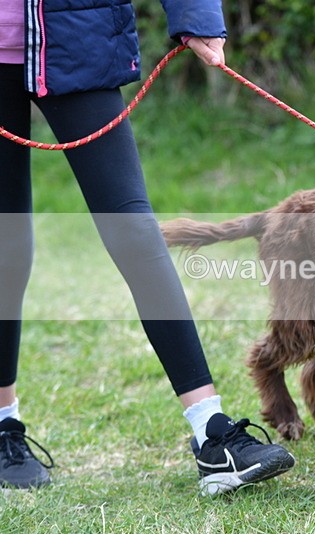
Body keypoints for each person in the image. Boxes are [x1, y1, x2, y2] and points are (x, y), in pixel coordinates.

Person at [0, 0, 295, 495]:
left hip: (76, 35)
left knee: (134, 231)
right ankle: (4, 426)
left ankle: (211, 433)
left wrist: (197, 16)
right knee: (7, 246)